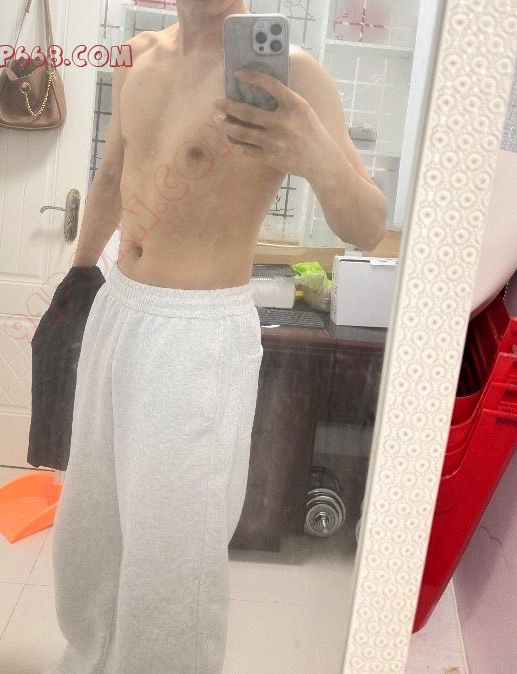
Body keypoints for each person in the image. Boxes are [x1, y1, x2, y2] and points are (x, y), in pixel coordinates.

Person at [48, 1, 388, 672]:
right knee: (91, 523)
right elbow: (112, 178)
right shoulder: (137, 54)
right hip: (117, 305)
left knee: (172, 550)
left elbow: (369, 226)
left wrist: (314, 153)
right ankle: (88, 659)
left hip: (198, 336)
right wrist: (77, 283)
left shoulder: (293, 72)